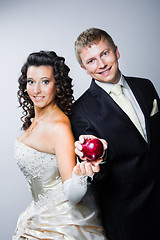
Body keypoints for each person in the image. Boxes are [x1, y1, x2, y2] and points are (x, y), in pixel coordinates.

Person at [70, 28, 160, 240]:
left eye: (104, 54)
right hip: (128, 218)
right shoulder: (81, 111)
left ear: (116, 52)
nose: (101, 64)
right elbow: (98, 175)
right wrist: (97, 159)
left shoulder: (145, 86)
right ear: (84, 68)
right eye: (91, 61)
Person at [12, 50, 107, 239]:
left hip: (61, 225)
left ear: (57, 86)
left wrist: (80, 175)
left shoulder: (59, 128)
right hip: (38, 213)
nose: (37, 90)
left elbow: (73, 194)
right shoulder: (37, 120)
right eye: (31, 81)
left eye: (45, 81)